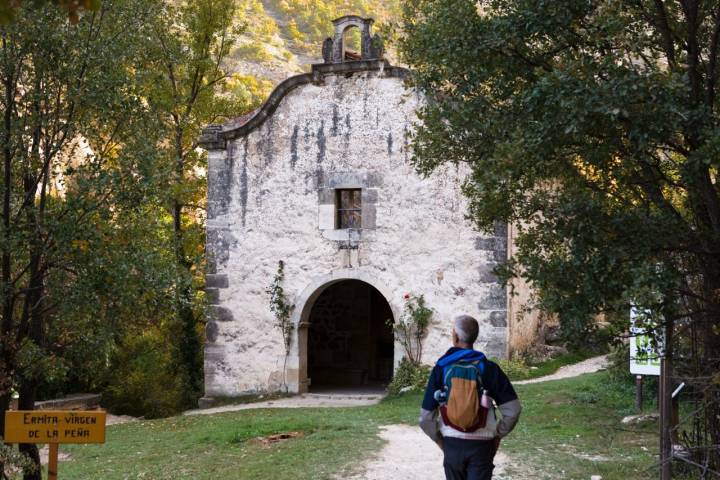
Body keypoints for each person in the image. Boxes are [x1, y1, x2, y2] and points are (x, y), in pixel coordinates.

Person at [419, 315, 522, 480]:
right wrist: (497, 435)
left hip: (452, 443)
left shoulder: (441, 367)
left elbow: (425, 417)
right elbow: (513, 410)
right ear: (475, 337)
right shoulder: (489, 369)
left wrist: (440, 441)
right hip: (482, 446)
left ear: (456, 337)